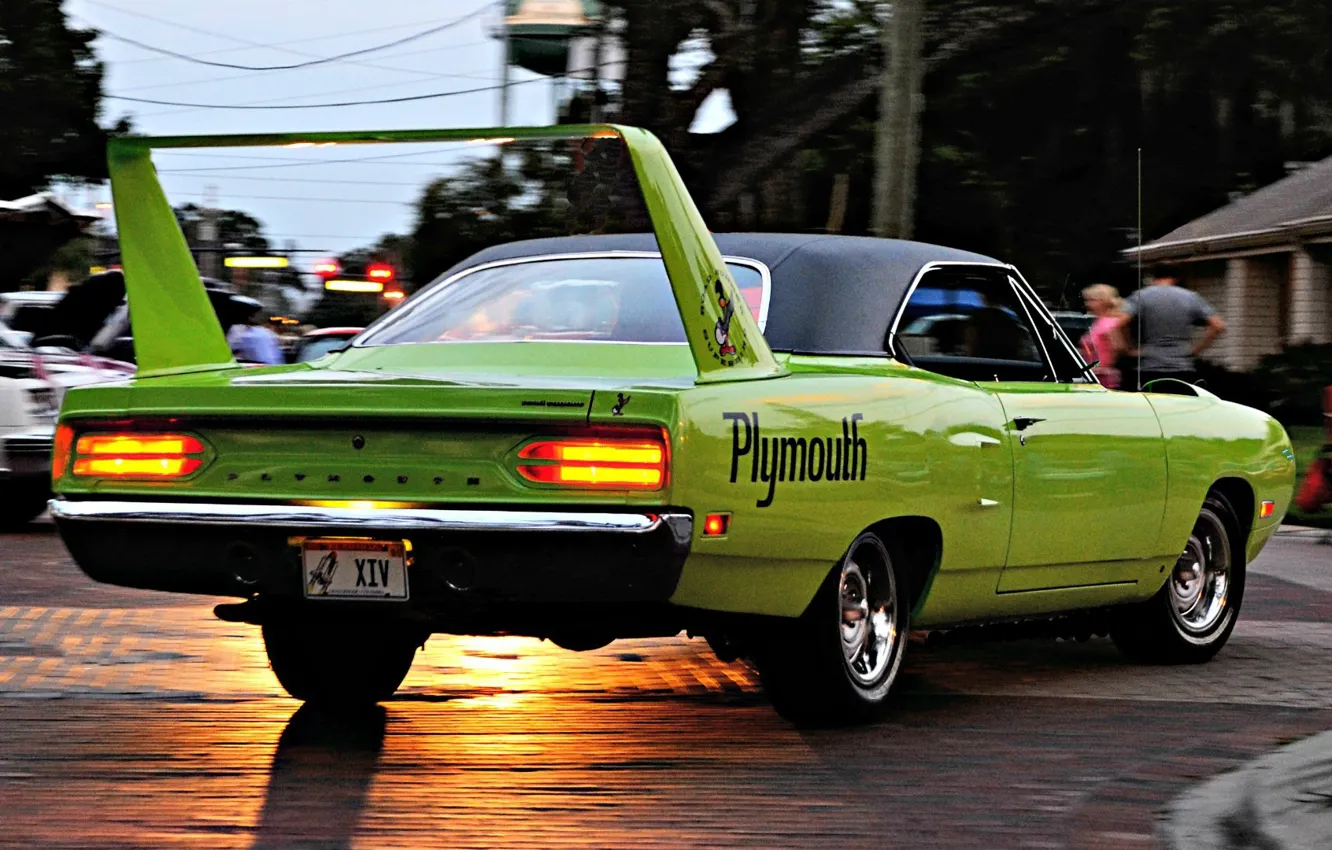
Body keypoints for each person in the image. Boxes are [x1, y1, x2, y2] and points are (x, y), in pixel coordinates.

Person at [1117, 267, 1225, 389]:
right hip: (1182, 367)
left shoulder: (1141, 296)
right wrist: (1196, 349)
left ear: (1153, 277)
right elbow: (1218, 325)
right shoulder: (1191, 297)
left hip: (1149, 366)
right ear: (1176, 278)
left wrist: (1129, 348)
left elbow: (1120, 322)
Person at [1078, 284, 1125, 389]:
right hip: (1093, 375)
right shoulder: (1099, 322)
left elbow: (1119, 348)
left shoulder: (1111, 323)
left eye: (1092, 300)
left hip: (1104, 378)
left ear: (1104, 301)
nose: (1087, 303)